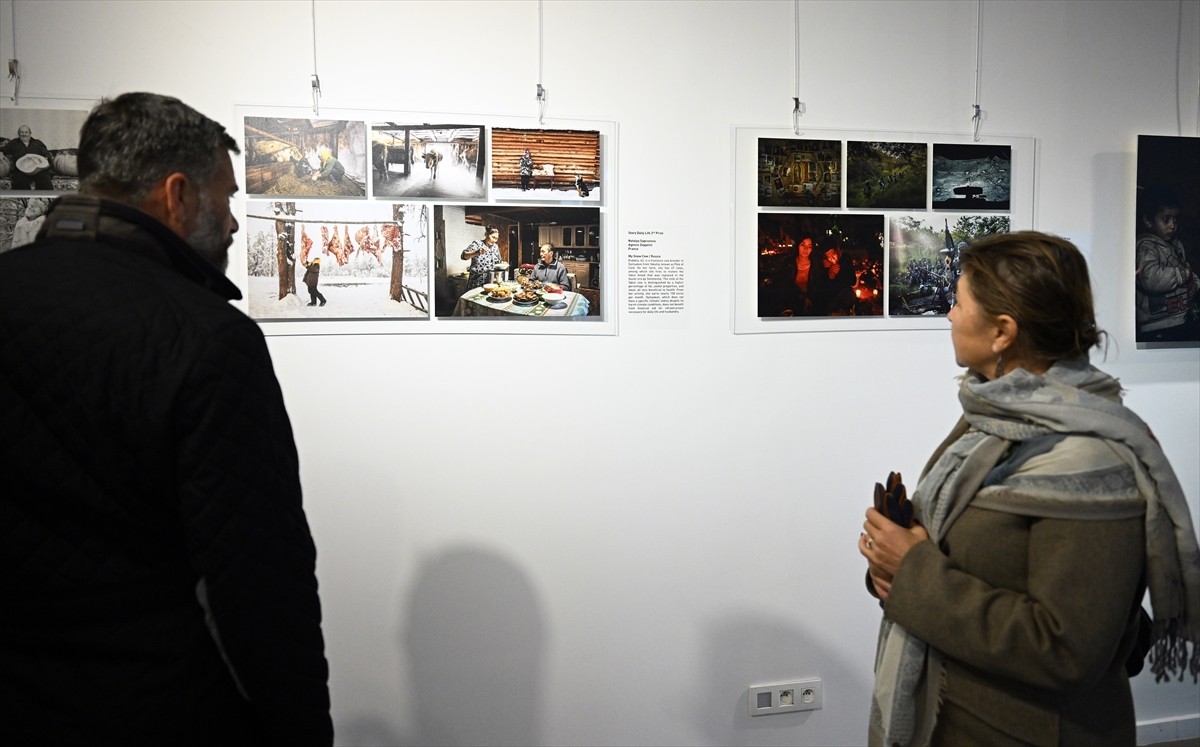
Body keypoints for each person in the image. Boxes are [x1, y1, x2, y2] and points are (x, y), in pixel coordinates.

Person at [0, 93, 333, 745]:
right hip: (157, 709)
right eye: (227, 197)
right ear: (177, 196)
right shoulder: (204, 336)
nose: (235, 222)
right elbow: (258, 585)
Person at [859, 231, 1200, 747]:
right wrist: (894, 559)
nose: (949, 316)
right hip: (958, 715)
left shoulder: (1089, 459)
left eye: (957, 302)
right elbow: (967, 556)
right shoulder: (990, 420)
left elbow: (1067, 650)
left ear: (1002, 331)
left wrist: (912, 570)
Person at [1135, 185, 1199, 342]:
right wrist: (1182, 275)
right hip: (1156, 326)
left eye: (1175, 219)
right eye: (1166, 220)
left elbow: (1187, 269)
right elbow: (1150, 279)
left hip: (1181, 318)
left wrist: (1194, 282)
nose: (1172, 225)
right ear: (1148, 221)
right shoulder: (1146, 247)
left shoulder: (1176, 245)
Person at [1, 124, 54, 190]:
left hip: (38, 170)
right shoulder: (13, 143)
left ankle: (43, 199)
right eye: (22, 132)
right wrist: (1, 153)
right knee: (19, 183)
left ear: (30, 133)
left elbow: (47, 154)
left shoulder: (38, 143)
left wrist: (46, 158)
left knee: (44, 181)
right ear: (18, 133)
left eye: (26, 132)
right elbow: (3, 149)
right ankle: (24, 200)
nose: (24, 134)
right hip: (21, 171)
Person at [462, 225, 502, 290]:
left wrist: (502, 263)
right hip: (477, 281)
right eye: (493, 237)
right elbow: (464, 256)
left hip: (491, 281)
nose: (494, 240)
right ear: (486, 234)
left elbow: (499, 261)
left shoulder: (495, 247)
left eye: (496, 238)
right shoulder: (477, 244)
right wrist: (476, 252)